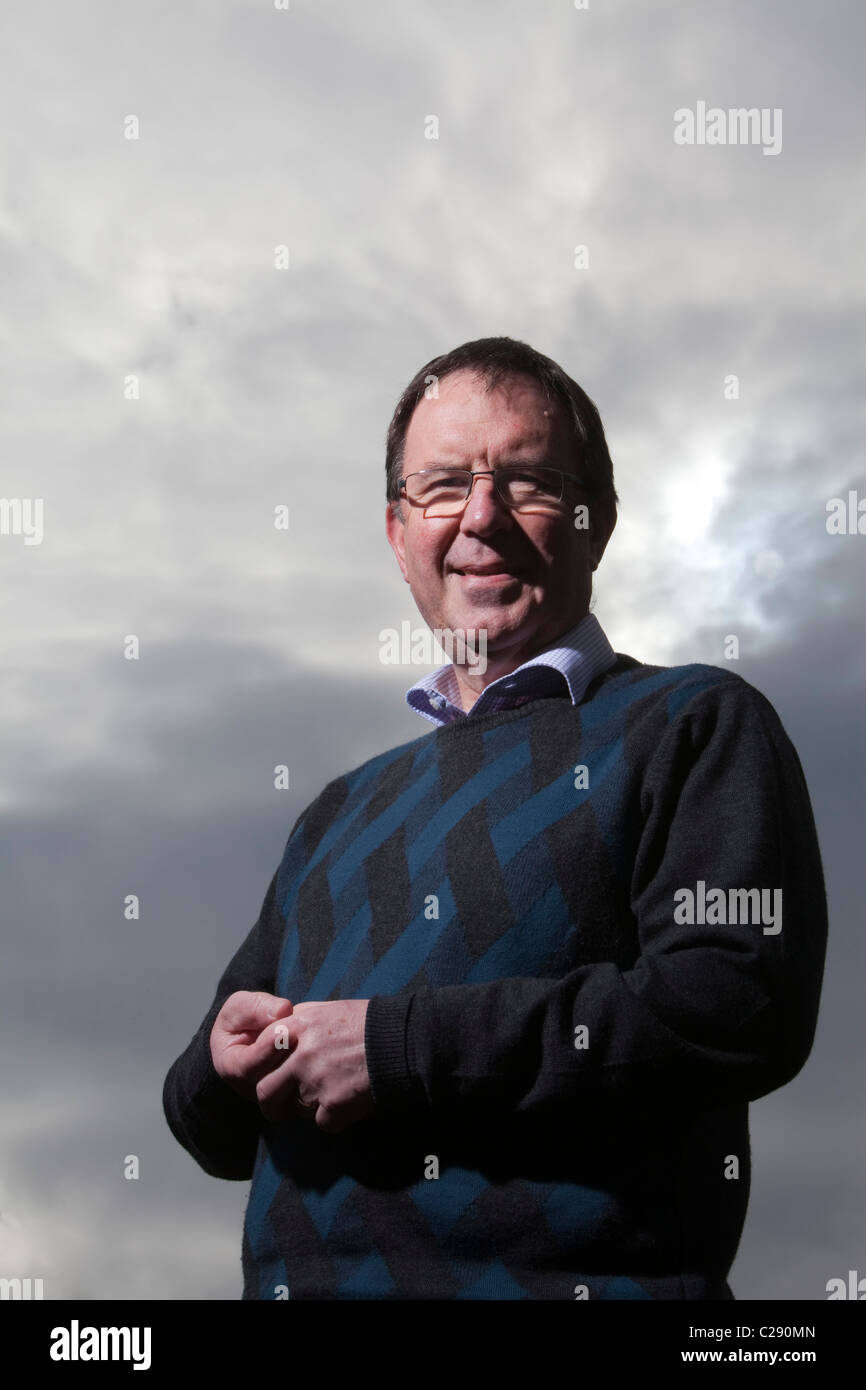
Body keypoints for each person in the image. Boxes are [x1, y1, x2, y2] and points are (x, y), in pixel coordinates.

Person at [163, 336, 827, 1300]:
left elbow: (735, 1006)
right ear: (398, 535)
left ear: (596, 525)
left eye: (527, 482)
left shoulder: (695, 724)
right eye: (441, 487)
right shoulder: (339, 811)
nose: (481, 517)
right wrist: (223, 1068)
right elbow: (210, 1128)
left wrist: (395, 1054)